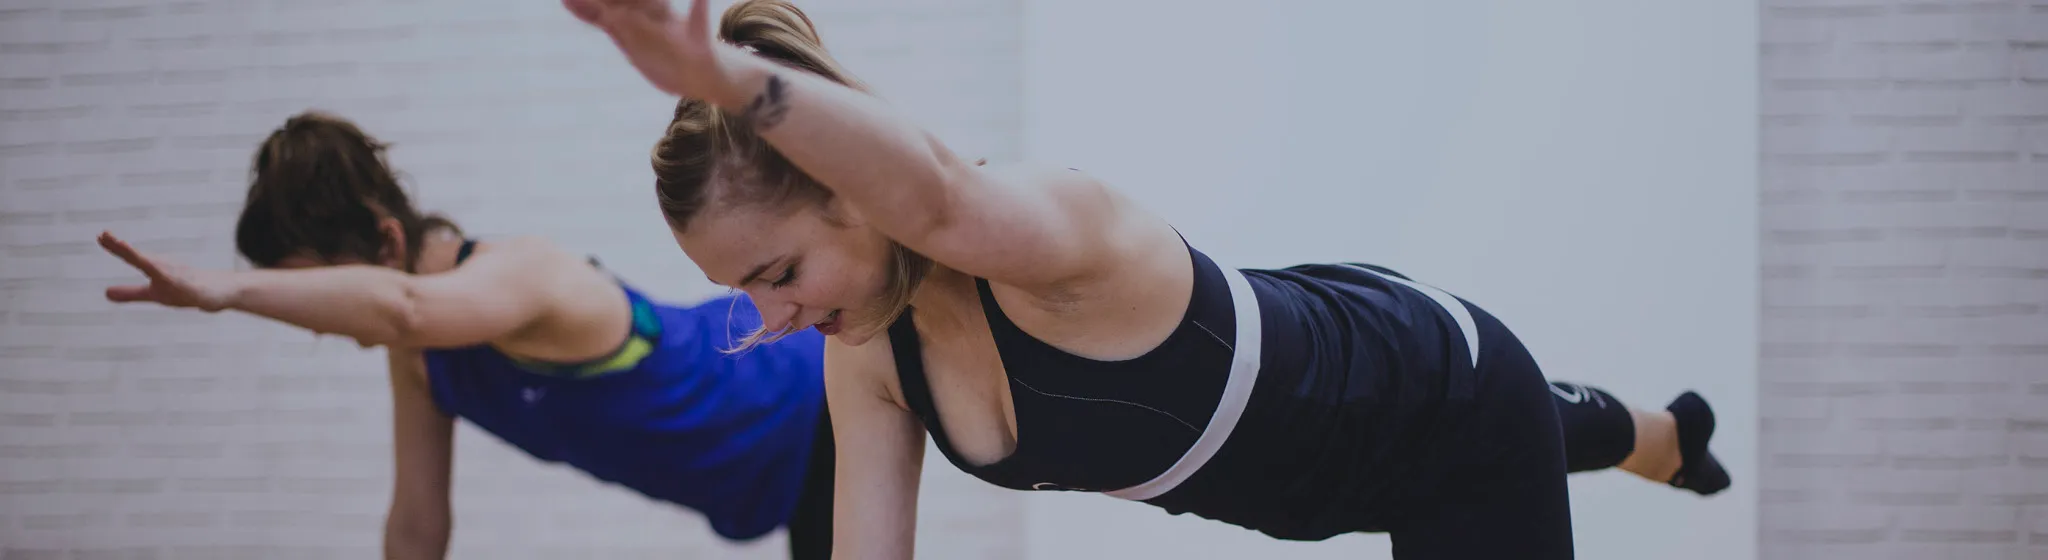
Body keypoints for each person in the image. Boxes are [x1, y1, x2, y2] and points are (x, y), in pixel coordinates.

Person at [569, 0, 1732, 558]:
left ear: (850, 189)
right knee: (1501, 424)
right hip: (1316, 429)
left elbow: (934, 197)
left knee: (1506, 414)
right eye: (747, 299)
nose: (772, 320)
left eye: (776, 273)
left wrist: (722, 73)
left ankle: (1642, 432)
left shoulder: (1045, 231)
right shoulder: (867, 354)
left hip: (1439, 397)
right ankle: (1656, 431)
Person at [94, 111, 837, 560]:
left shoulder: (527, 276)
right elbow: (417, 524)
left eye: (318, 292)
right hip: (757, 465)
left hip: (808, 399)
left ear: (387, 245)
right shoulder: (418, 359)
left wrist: (225, 292)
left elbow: (406, 309)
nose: (326, 323)